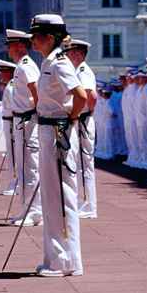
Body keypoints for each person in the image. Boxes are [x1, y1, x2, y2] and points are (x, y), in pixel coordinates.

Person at [30, 13, 86, 277]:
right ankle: (60, 258)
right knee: (52, 197)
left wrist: (71, 119)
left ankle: (63, 260)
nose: (33, 40)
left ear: (49, 38)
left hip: (55, 129)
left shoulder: (59, 63)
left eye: (36, 36)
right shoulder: (48, 62)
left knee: (59, 198)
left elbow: (81, 96)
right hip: (48, 128)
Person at [5, 28, 43, 226]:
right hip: (21, 121)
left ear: (19, 46)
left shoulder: (26, 65)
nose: (8, 49)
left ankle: (35, 211)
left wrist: (37, 114)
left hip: (28, 121)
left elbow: (35, 90)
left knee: (31, 168)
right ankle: (26, 208)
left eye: (10, 45)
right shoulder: (21, 65)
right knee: (23, 167)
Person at [64, 39, 98, 219]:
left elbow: (91, 96)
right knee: (80, 163)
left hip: (83, 120)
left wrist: (86, 113)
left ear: (83, 54)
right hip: (80, 118)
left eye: (77, 52)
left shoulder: (83, 71)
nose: (73, 55)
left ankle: (88, 206)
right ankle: (84, 203)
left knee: (85, 165)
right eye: (71, 52)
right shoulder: (76, 71)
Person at [0, 59, 18, 196]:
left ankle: (15, 183)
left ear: (10, 73)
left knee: (13, 155)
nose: (0, 74)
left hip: (11, 123)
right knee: (11, 153)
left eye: (3, 71)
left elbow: (14, 108)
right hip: (8, 122)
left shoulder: (11, 87)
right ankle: (13, 182)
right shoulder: (9, 86)